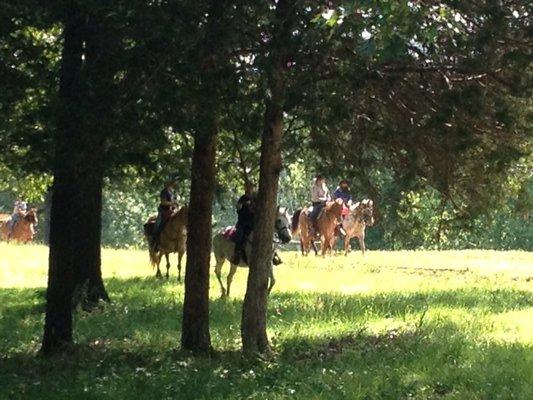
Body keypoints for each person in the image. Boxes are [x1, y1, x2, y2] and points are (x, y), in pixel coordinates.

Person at [151, 175, 179, 251]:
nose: (174, 184)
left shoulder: (173, 192)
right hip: (164, 212)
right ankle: (155, 243)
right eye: (173, 182)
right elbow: (163, 202)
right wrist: (173, 203)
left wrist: (176, 206)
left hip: (172, 211)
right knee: (158, 226)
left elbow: (176, 202)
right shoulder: (164, 191)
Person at [232, 182, 255, 265]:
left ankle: (273, 254)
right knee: (239, 235)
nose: (249, 190)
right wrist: (243, 205)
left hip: (254, 224)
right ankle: (237, 254)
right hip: (243, 223)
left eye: (251, 188)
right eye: (247, 188)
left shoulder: (255, 198)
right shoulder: (242, 198)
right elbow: (238, 208)